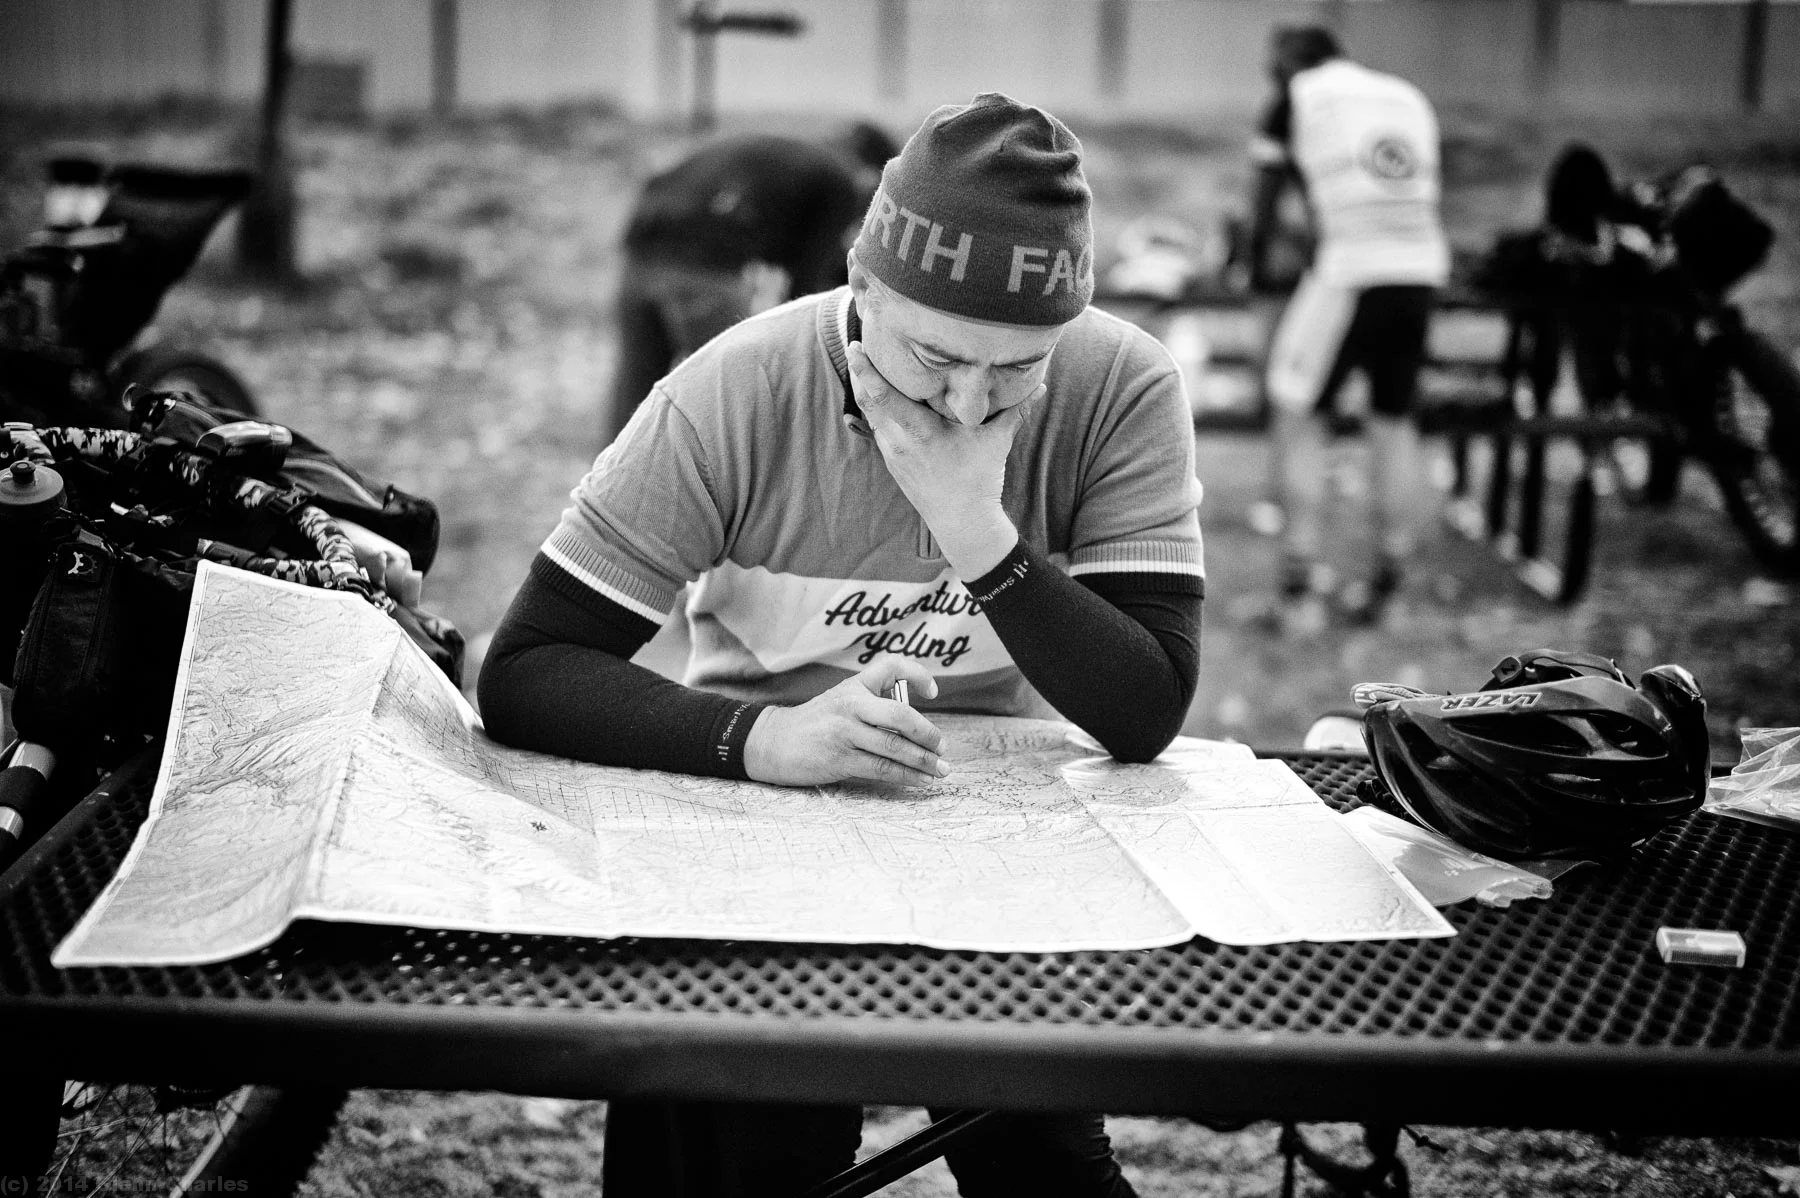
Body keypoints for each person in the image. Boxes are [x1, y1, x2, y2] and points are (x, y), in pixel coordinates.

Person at [480, 92, 1205, 1197]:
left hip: (994, 845)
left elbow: (1147, 706)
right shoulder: (732, 388)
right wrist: (765, 738)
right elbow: (529, 668)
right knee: (755, 1147)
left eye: (1018, 369)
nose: (968, 406)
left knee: (1044, 1160)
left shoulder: (1122, 385)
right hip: (749, 829)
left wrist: (976, 527)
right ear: (859, 286)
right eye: (934, 356)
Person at [1246, 25, 1449, 627]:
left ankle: (1300, 592)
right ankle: (1388, 585)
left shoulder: (1296, 98)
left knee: (1298, 413)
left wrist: (1252, 270)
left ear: (1290, 65)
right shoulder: (1406, 95)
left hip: (1350, 273)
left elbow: (1265, 204)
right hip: (1420, 272)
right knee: (1393, 422)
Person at [600, 122, 899, 448]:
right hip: (703, 268)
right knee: (725, 395)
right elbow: (809, 287)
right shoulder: (837, 181)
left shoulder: (787, 159)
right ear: (870, 173)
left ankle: (617, 470)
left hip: (641, 255)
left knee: (638, 386)